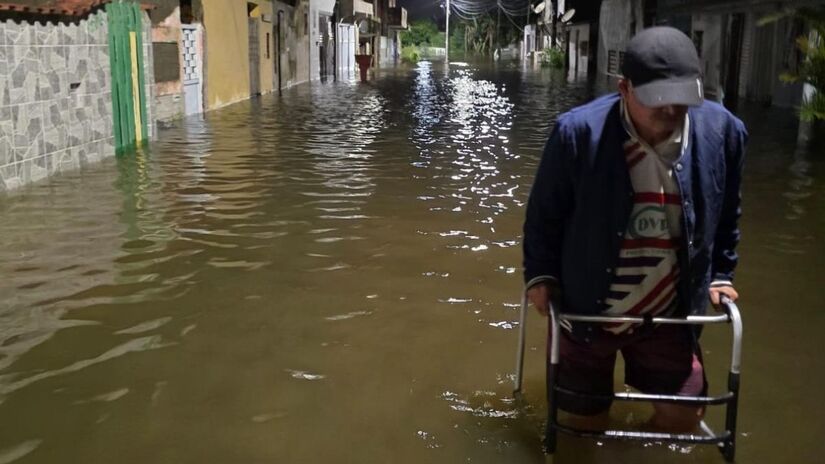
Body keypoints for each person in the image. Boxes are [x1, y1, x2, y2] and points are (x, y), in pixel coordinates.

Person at [522, 26, 747, 433]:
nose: (670, 111)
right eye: (657, 100)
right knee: (582, 428)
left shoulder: (723, 133)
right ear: (625, 89)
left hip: (669, 313)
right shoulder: (577, 135)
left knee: (684, 421)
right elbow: (544, 215)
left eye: (681, 99)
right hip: (589, 307)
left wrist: (721, 273)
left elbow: (727, 210)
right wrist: (541, 275)